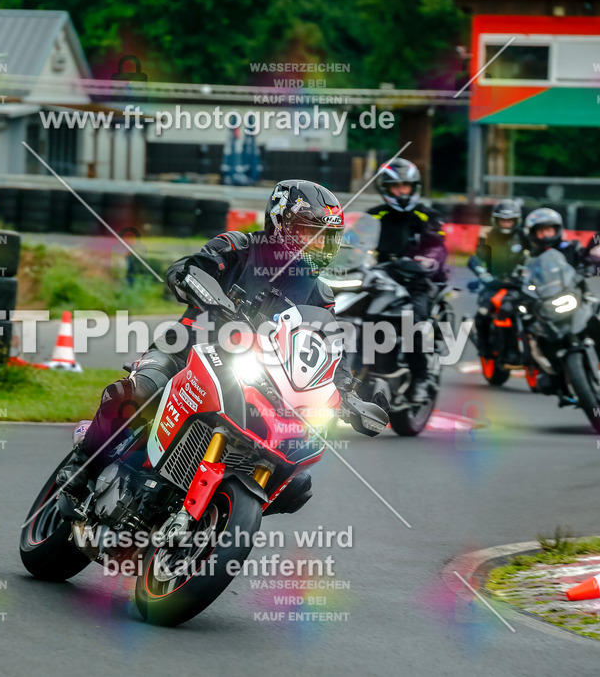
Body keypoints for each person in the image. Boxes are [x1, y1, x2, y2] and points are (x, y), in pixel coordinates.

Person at [58, 179, 363, 516]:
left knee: (298, 481)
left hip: (263, 380)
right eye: (309, 233)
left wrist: (348, 393)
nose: (317, 245)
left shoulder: (320, 295)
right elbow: (188, 269)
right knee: (137, 393)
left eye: (325, 238)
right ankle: (80, 470)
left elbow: (331, 348)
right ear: (281, 223)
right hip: (188, 349)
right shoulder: (239, 247)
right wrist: (195, 283)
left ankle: (221, 515)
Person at [367, 158, 448, 404]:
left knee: (412, 321)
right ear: (385, 188)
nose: (402, 192)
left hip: (418, 282)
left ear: (414, 188)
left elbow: (438, 246)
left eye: (406, 186)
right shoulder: (374, 215)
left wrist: (426, 260)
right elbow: (351, 243)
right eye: (396, 187)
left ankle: (421, 377)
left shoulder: (427, 215)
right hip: (380, 279)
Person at [523, 208, 600, 377]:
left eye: (549, 229)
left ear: (557, 230)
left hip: (578, 297)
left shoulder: (570, 248)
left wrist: (599, 265)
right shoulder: (530, 260)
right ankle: (549, 370)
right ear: (533, 234)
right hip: (549, 304)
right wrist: (521, 286)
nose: (546, 235)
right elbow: (525, 280)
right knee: (531, 327)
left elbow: (588, 258)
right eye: (541, 231)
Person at [468, 199, 528, 358]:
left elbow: (537, 256)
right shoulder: (488, 237)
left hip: (518, 284)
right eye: (503, 220)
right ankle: (484, 347)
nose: (506, 223)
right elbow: (477, 259)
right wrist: (483, 275)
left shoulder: (523, 236)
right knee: (483, 312)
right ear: (496, 220)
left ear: (516, 221)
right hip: (493, 284)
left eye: (510, 220)